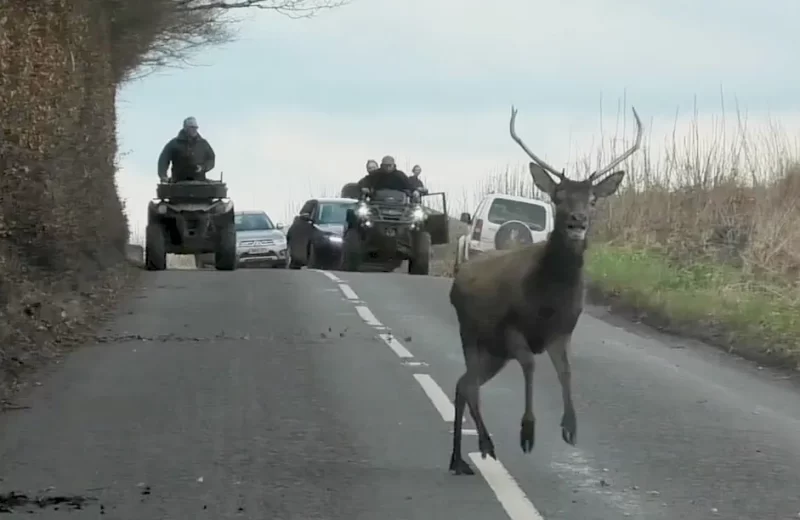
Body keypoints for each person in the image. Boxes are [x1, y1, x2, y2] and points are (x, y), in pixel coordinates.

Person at [157, 116, 216, 182]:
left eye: (195, 128)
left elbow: (211, 158)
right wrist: (163, 176)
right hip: (178, 182)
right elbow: (164, 159)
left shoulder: (203, 143)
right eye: (191, 127)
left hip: (199, 182)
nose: (194, 130)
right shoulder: (174, 143)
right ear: (185, 128)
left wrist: (203, 167)